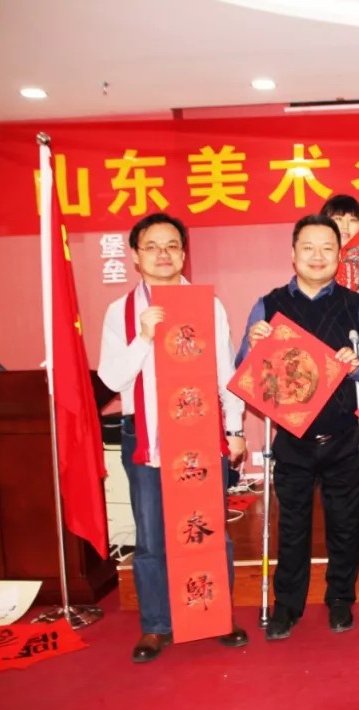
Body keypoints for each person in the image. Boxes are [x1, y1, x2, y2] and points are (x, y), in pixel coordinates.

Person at [97, 212, 248, 662]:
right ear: (135, 255)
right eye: (152, 246)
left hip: (201, 433)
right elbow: (111, 379)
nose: (163, 254)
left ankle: (216, 614)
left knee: (210, 528)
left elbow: (225, 372)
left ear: (183, 254)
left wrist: (235, 428)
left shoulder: (208, 305)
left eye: (172, 246)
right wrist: (144, 337)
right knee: (151, 535)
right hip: (145, 435)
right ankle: (157, 625)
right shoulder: (121, 312)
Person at [236, 214, 359, 641]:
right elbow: (242, 370)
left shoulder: (357, 305)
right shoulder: (268, 305)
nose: (317, 256)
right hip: (291, 439)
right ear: (293, 254)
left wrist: (357, 365)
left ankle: (340, 599)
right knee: (291, 527)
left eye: (327, 248)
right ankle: (287, 606)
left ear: (339, 255)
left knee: (345, 524)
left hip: (344, 435)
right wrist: (253, 346)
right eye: (308, 248)